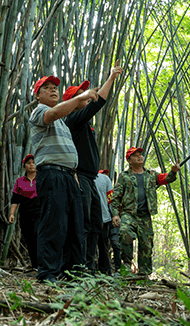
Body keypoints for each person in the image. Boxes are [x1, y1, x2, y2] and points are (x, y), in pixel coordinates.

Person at [28, 75, 98, 282]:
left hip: (69, 176)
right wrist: (81, 97)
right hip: (51, 174)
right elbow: (52, 114)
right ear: (38, 95)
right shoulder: (39, 111)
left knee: (75, 226)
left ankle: (73, 273)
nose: (53, 90)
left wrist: (74, 176)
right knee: (54, 223)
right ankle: (48, 273)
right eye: (46, 88)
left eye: (55, 88)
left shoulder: (64, 124)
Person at [62, 67, 122, 272]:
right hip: (80, 177)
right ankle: (79, 267)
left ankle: (94, 266)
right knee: (83, 222)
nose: (87, 98)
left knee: (96, 223)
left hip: (92, 178)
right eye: (81, 96)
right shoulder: (73, 119)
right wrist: (111, 77)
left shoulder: (84, 123)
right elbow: (99, 103)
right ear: (72, 102)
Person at [111, 147, 180, 277]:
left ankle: (144, 273)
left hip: (145, 216)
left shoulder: (151, 175)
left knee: (146, 243)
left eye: (140, 155)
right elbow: (116, 197)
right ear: (129, 160)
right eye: (135, 155)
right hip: (128, 213)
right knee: (125, 233)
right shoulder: (124, 176)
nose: (139, 157)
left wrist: (173, 171)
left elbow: (166, 179)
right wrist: (115, 214)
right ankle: (125, 267)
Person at [8, 154, 40, 269]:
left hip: (40, 214)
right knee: (30, 239)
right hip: (25, 214)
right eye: (28, 163)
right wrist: (12, 214)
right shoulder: (20, 181)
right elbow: (15, 199)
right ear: (24, 166)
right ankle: (35, 265)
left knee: (40, 237)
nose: (31, 165)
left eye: (33, 162)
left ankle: (44, 264)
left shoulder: (42, 178)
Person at [93, 169, 114, 275]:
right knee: (103, 245)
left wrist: (114, 215)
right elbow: (110, 199)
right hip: (103, 216)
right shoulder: (105, 178)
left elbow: (110, 198)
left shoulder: (105, 179)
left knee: (96, 245)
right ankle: (105, 270)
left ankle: (90, 268)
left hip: (100, 217)